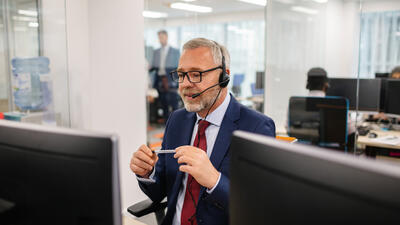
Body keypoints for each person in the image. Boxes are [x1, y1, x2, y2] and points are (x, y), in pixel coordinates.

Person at [130, 38, 275, 225]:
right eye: (181, 75)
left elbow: (258, 207)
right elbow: (160, 193)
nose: (185, 84)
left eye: (196, 74)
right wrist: (147, 173)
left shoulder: (255, 127)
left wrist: (215, 180)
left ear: (224, 77)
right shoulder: (177, 120)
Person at [150, 30, 181, 122]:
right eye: (159, 38)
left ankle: (177, 123)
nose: (160, 39)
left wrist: (177, 82)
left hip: (171, 81)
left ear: (166, 37)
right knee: (163, 104)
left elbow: (178, 66)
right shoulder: (156, 51)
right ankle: (167, 124)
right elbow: (154, 66)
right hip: (160, 80)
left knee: (174, 104)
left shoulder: (175, 51)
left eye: (162, 37)